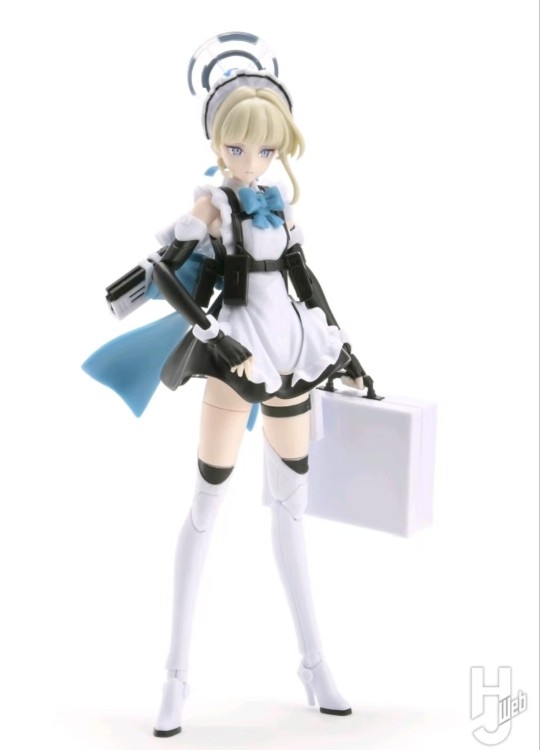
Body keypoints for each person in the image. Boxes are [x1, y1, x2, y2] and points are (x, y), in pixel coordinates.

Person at [85, 62, 368, 738]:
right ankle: (176, 677)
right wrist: (215, 335)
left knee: (291, 509)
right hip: (235, 354)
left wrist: (347, 353)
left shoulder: (280, 205)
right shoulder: (212, 204)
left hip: (293, 353)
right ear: (217, 143)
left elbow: (307, 282)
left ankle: (314, 664)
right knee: (207, 506)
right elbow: (167, 275)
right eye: (238, 147)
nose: (252, 160)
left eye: (265, 149)